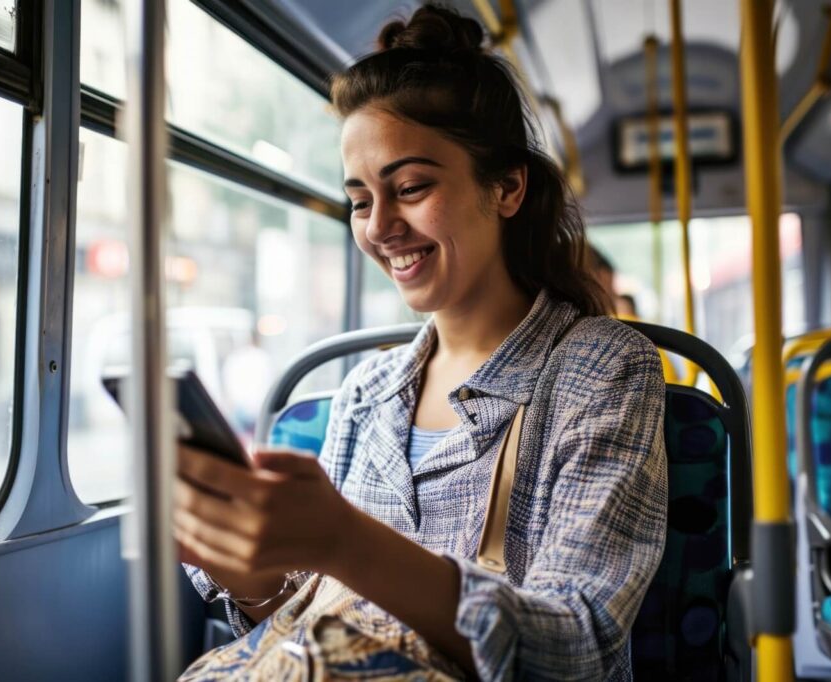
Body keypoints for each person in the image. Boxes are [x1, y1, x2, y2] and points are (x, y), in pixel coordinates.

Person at [174, 6, 667, 680]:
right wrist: (239, 563)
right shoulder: (366, 393)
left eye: (410, 188)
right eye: (359, 200)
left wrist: (346, 541)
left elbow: (577, 648)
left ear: (507, 188)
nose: (380, 227)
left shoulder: (603, 369)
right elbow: (318, 622)